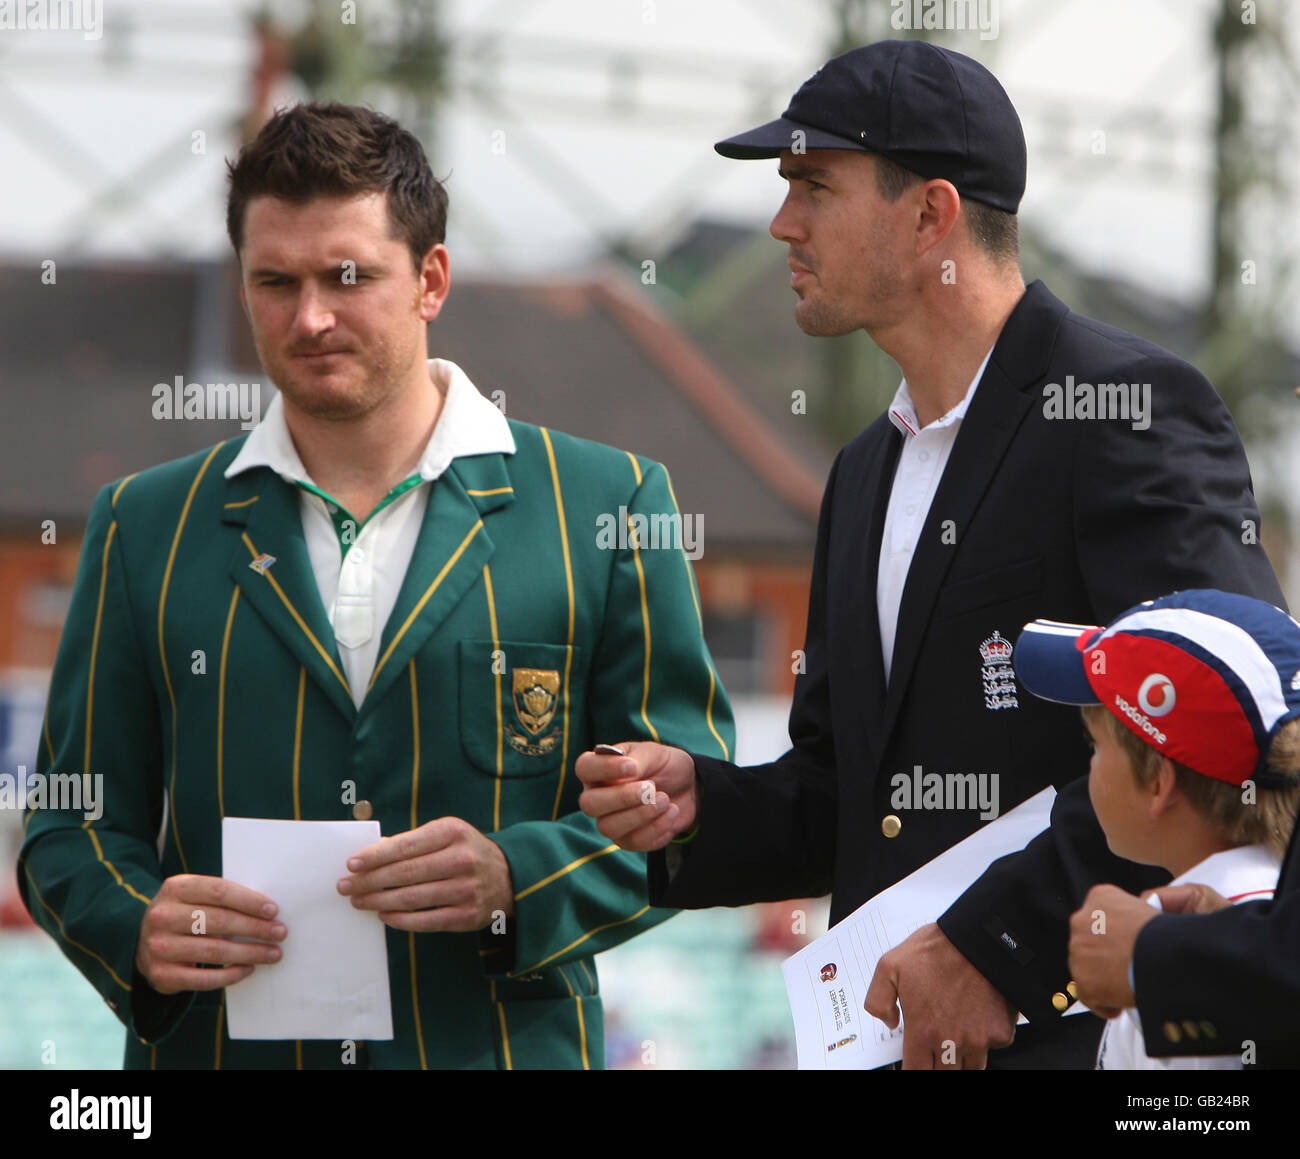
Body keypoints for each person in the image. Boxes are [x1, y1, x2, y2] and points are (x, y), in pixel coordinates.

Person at [576, 39, 1284, 1068]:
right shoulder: (863, 468)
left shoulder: (1124, 414)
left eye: (813, 185)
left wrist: (992, 945)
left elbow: (1218, 734)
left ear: (929, 215)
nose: (782, 223)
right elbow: (851, 796)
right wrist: (702, 806)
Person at [17, 102, 734, 1069]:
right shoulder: (144, 525)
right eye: (275, 282)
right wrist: (136, 923)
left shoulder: (607, 506)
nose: (310, 317)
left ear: (430, 279)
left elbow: (688, 810)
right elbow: (70, 818)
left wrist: (517, 879)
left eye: (347, 276)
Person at [1014, 590, 1300, 1068]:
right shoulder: (1247, 927)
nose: (1090, 764)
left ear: (1158, 783)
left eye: (1095, 744)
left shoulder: (1181, 969)